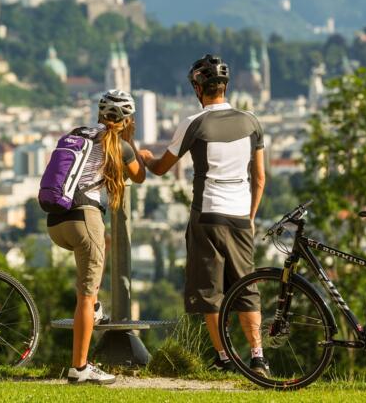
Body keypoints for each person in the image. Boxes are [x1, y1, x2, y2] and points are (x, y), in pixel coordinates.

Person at [139, 55, 268, 376]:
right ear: (226, 87)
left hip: (207, 214)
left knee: (210, 290)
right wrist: (250, 215)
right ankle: (257, 357)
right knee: (246, 286)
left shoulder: (193, 123)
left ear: (198, 89)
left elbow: (161, 168)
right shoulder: (252, 121)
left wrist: (143, 157)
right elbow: (261, 177)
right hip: (240, 216)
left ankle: (224, 358)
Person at [46, 89, 146, 385]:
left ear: (100, 114)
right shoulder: (121, 145)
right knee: (85, 297)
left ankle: (96, 310)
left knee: (95, 273)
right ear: (128, 119)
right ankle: (80, 367)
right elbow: (139, 175)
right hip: (84, 218)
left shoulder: (78, 134)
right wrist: (133, 143)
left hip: (56, 220)